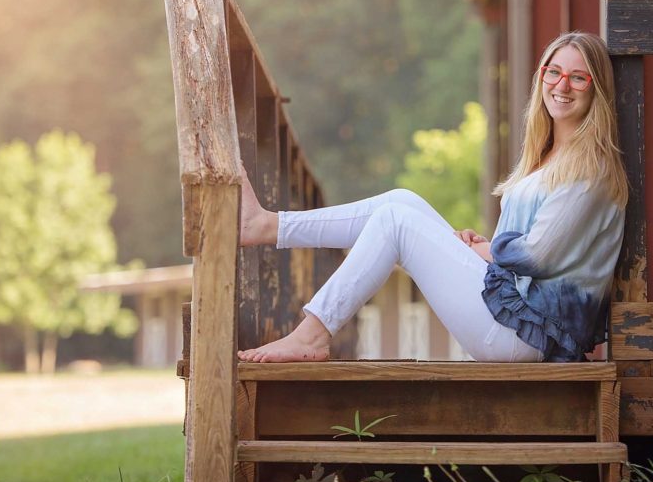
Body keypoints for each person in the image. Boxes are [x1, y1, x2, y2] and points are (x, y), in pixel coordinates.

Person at [236, 31, 628, 363]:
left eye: (579, 78)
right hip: (513, 312)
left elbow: (539, 257)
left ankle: (312, 334)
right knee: (401, 201)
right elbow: (531, 248)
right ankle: (267, 225)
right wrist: (484, 248)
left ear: (597, 89)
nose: (561, 85)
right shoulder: (549, 157)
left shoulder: (589, 169)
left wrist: (488, 252)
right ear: (542, 75)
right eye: (554, 72)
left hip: (529, 334)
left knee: (396, 223)